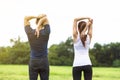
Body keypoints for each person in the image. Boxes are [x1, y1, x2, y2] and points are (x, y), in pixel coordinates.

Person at [24, 14, 50, 80]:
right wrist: (39, 24)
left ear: (36, 22)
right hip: (44, 61)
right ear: (43, 23)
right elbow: (46, 19)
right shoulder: (46, 32)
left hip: (33, 61)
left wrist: (36, 17)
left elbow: (26, 18)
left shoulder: (30, 32)